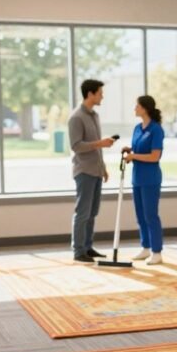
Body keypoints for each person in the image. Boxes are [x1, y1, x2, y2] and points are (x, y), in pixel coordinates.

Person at [69, 79, 117, 263]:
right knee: (82, 212)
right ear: (90, 94)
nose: (102, 96)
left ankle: (88, 247)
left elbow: (96, 147)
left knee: (92, 212)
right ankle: (78, 251)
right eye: (100, 93)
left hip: (96, 171)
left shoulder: (94, 116)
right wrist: (101, 143)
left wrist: (103, 167)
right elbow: (76, 146)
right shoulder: (76, 117)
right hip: (84, 172)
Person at [122, 95, 165, 265]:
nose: (134, 108)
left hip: (151, 179)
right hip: (137, 178)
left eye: (137, 106)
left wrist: (134, 156)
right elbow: (140, 147)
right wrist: (130, 149)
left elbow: (155, 156)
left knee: (150, 215)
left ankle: (157, 251)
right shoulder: (137, 128)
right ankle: (146, 247)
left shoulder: (156, 130)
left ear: (145, 108)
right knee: (140, 215)